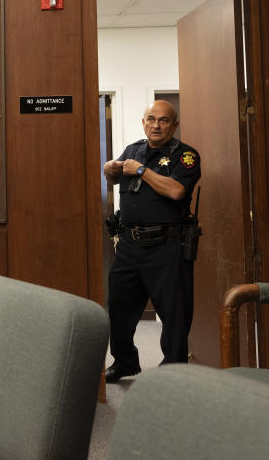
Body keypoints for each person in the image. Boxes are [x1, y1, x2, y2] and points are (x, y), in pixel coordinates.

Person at [102, 100, 201, 383]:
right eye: (150, 119)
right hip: (129, 245)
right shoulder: (134, 150)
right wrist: (110, 167)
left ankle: (173, 370)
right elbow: (112, 178)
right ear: (143, 121)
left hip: (166, 246)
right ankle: (124, 361)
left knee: (173, 313)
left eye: (163, 120)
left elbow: (176, 191)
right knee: (119, 308)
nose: (156, 125)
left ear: (175, 125)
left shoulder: (186, 156)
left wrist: (143, 171)